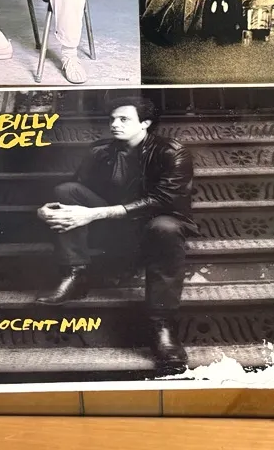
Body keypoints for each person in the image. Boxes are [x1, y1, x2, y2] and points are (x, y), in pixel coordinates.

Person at [36, 97, 195, 374]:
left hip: (155, 222)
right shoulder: (100, 151)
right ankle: (75, 274)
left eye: (123, 119)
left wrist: (94, 214)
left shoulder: (172, 152)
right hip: (115, 225)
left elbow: (164, 200)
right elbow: (79, 190)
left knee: (166, 228)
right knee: (65, 191)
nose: (114, 124)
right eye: (112, 119)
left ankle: (163, 324)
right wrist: (46, 210)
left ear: (145, 123)